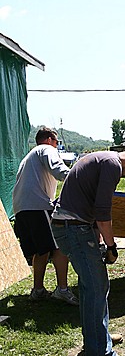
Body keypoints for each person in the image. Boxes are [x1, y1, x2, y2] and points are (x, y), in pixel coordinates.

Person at [51, 142, 125, 356]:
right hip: (73, 228)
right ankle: (99, 355)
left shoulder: (104, 159)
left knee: (94, 286)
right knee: (96, 287)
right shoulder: (112, 165)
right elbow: (102, 212)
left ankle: (98, 339)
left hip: (72, 226)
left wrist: (99, 241)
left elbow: (92, 205)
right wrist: (111, 246)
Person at [13, 127, 79, 305]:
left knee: (41, 250)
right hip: (37, 205)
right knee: (60, 246)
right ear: (50, 140)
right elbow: (58, 169)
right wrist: (80, 178)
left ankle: (38, 290)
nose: (57, 147)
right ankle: (62, 290)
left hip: (21, 209)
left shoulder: (29, 156)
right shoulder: (46, 149)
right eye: (57, 143)